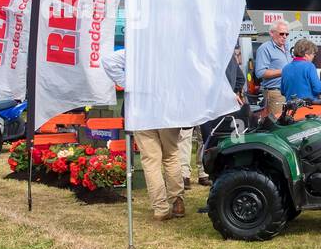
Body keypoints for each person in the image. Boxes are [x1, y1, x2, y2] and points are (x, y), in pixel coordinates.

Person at [101, 48, 185, 221]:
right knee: (170, 156)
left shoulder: (137, 48)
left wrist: (129, 85)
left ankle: (161, 208)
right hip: (167, 109)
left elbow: (108, 61)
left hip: (141, 110)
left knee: (151, 160)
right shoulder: (170, 49)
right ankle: (177, 202)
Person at [197, 47, 248, 186]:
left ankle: (218, 187)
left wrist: (231, 93)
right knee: (227, 147)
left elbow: (239, 79)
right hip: (225, 107)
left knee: (212, 147)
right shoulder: (227, 55)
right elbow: (240, 78)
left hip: (212, 108)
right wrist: (233, 92)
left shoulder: (210, 56)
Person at [254, 19, 292, 120]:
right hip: (275, 93)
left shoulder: (287, 47)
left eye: (287, 34)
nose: (284, 36)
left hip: (288, 92)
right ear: (271, 33)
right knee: (277, 123)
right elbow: (260, 72)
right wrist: (284, 71)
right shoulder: (265, 48)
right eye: (281, 33)